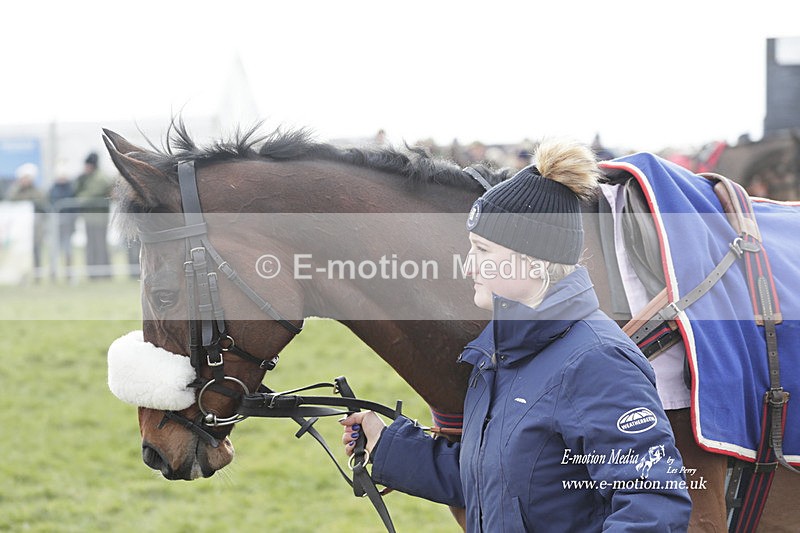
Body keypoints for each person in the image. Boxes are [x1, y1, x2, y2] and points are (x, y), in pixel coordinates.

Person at [341, 139, 692, 531]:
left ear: (535, 261)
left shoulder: (597, 361)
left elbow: (652, 504)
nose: (469, 265)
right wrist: (386, 445)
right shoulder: (497, 355)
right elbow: (495, 482)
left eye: (483, 250)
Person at [73, 152, 111, 279]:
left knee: (99, 245)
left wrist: (79, 199)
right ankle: (93, 273)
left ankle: (102, 273)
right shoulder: (87, 177)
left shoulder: (100, 178)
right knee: (91, 245)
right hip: (90, 217)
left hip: (99, 218)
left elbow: (91, 195)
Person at [7, 163, 47, 274]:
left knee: (36, 249)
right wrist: (20, 187)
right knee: (20, 250)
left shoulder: (36, 190)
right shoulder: (16, 189)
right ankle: (21, 273)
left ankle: (37, 273)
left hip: (35, 225)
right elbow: (11, 199)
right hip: (20, 227)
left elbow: (41, 202)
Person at [48, 166, 76, 278]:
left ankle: (69, 273)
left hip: (68, 223)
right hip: (56, 222)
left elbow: (73, 204)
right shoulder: (53, 188)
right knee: (54, 249)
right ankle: (53, 273)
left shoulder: (70, 188)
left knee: (68, 249)